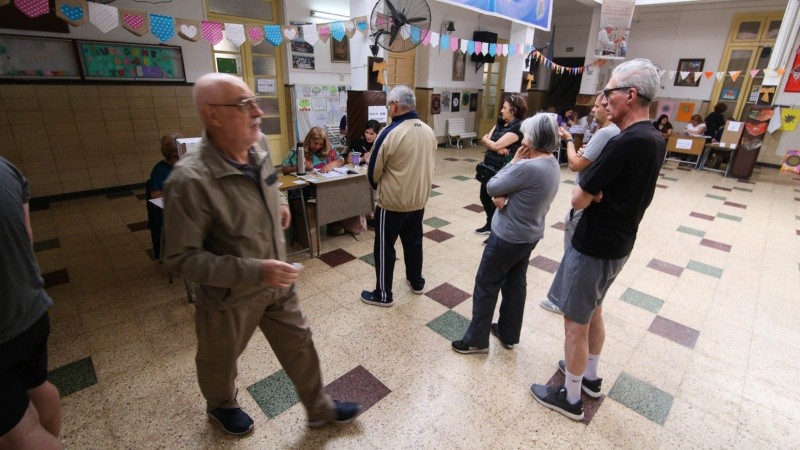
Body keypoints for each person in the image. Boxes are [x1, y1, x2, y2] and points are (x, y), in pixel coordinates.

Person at [162, 73, 361, 436]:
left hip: (277, 281)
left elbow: (273, 185)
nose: (257, 111)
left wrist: (281, 203)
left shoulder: (259, 149)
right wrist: (256, 271)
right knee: (219, 359)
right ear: (213, 115)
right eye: (244, 105)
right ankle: (221, 405)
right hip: (229, 296)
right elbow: (180, 258)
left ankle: (318, 407)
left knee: (300, 343)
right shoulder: (190, 181)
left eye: (255, 101)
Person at [530, 59, 666, 421]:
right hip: (620, 243)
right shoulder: (655, 139)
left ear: (631, 94)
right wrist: (598, 192)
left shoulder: (624, 143)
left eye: (609, 91)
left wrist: (593, 192)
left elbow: (578, 197)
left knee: (575, 322)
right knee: (595, 310)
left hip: (593, 245)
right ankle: (589, 377)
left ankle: (571, 399)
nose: (605, 99)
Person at [451, 114, 560, 354]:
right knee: (515, 284)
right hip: (529, 235)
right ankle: (508, 333)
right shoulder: (551, 163)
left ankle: (477, 340)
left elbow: (492, 186)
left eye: (527, 133)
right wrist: (509, 197)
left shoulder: (529, 167)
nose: (523, 137)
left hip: (507, 236)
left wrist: (513, 163)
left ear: (535, 137)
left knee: (486, 284)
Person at [0, 157, 62, 449]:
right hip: (30, 304)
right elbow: (27, 234)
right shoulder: (5, 167)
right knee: (37, 386)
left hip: (4, 325)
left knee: (18, 435)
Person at [539, 92, 620, 315]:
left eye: (597, 107)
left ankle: (562, 300)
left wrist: (567, 140)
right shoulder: (617, 133)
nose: (594, 110)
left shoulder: (606, 133)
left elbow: (574, 165)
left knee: (573, 250)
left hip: (584, 200)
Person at [360, 85, 436, 307]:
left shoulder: (389, 132)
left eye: (388, 105)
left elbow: (374, 169)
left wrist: (378, 187)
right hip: (418, 199)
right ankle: (417, 282)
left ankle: (383, 294)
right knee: (414, 242)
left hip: (392, 202)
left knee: (384, 247)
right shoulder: (428, 131)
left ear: (394, 106)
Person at [475, 95, 526, 237]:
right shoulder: (500, 122)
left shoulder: (519, 127)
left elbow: (493, 142)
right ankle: (489, 223)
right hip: (489, 165)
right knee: (484, 196)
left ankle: (495, 231)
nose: (502, 111)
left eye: (504, 108)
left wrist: (492, 144)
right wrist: (495, 147)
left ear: (514, 110)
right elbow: (488, 141)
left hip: (503, 169)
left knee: (498, 200)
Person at [147, 134, 182, 260]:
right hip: (170, 213)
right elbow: (156, 195)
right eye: (176, 157)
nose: (180, 160)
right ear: (167, 155)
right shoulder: (159, 170)